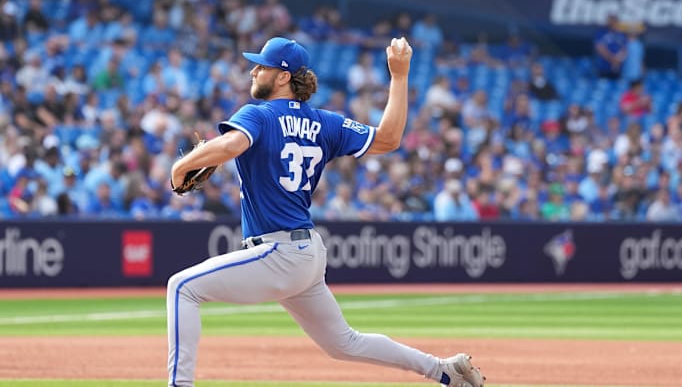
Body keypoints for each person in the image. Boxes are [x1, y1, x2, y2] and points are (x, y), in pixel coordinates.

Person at [167, 37, 485, 387]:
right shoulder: (325, 123)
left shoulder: (257, 113)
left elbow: (232, 144)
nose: (254, 70)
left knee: (182, 287)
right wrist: (399, 76)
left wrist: (182, 165)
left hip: (278, 252)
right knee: (343, 343)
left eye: (262, 66)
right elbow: (390, 139)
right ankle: (444, 370)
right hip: (306, 254)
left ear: (284, 76)